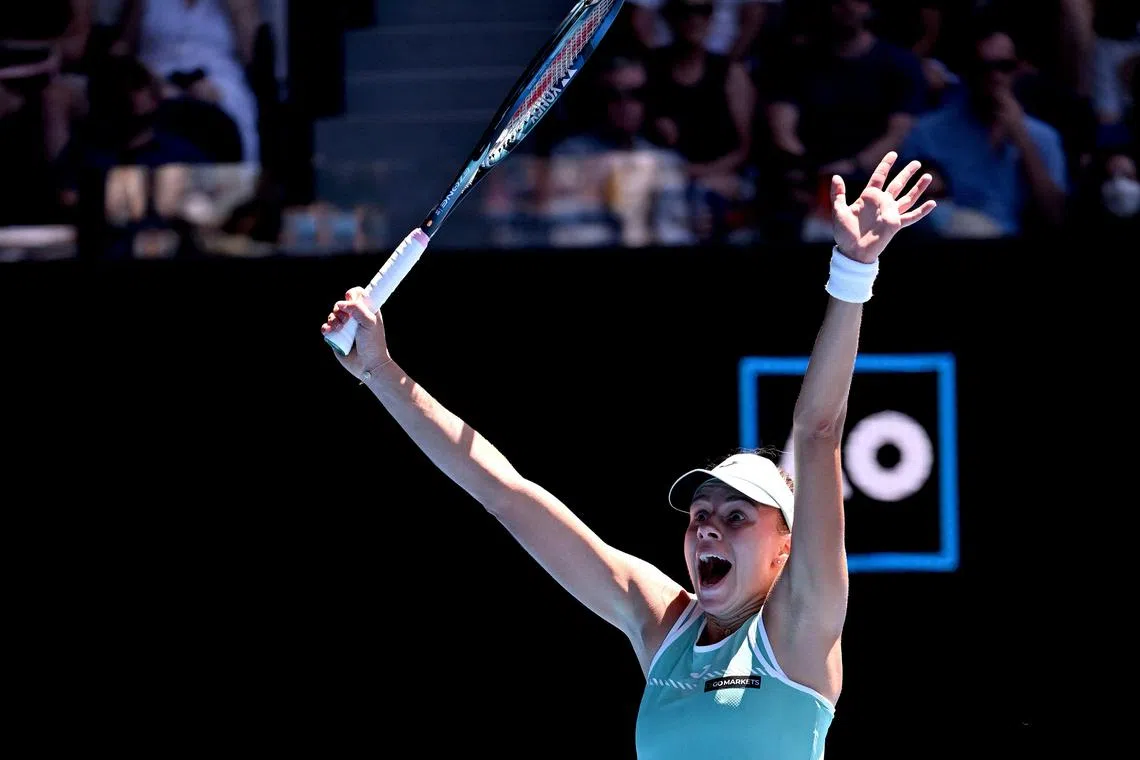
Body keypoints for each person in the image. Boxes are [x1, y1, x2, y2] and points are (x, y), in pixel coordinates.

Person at [320, 151, 936, 758]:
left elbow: (819, 430)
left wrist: (853, 269)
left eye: (737, 516)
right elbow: (504, 493)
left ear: (786, 546)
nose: (708, 529)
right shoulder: (664, 625)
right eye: (700, 516)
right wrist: (378, 369)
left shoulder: (801, 625)